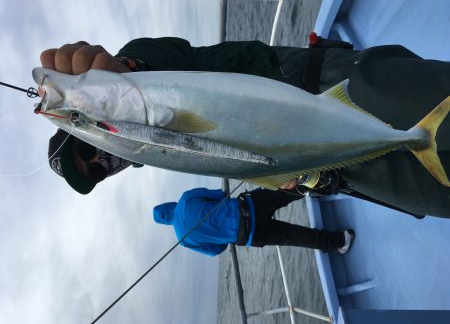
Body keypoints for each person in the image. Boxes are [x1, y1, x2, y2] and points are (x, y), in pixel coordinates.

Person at [43, 38, 450, 218]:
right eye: (95, 169)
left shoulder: (138, 82)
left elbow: (162, 56)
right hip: (350, 165)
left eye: (84, 146)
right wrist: (293, 181)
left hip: (327, 93)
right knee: (440, 198)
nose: (99, 158)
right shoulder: (157, 154)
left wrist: (130, 70)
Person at [152, 187, 355, 256]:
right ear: (168, 204)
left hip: (249, 235)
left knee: (294, 237)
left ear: (165, 223)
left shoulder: (184, 239)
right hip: (250, 206)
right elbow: (220, 194)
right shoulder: (186, 198)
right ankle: (328, 179)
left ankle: (341, 240)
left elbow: (215, 251)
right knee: (289, 191)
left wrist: (223, 233)